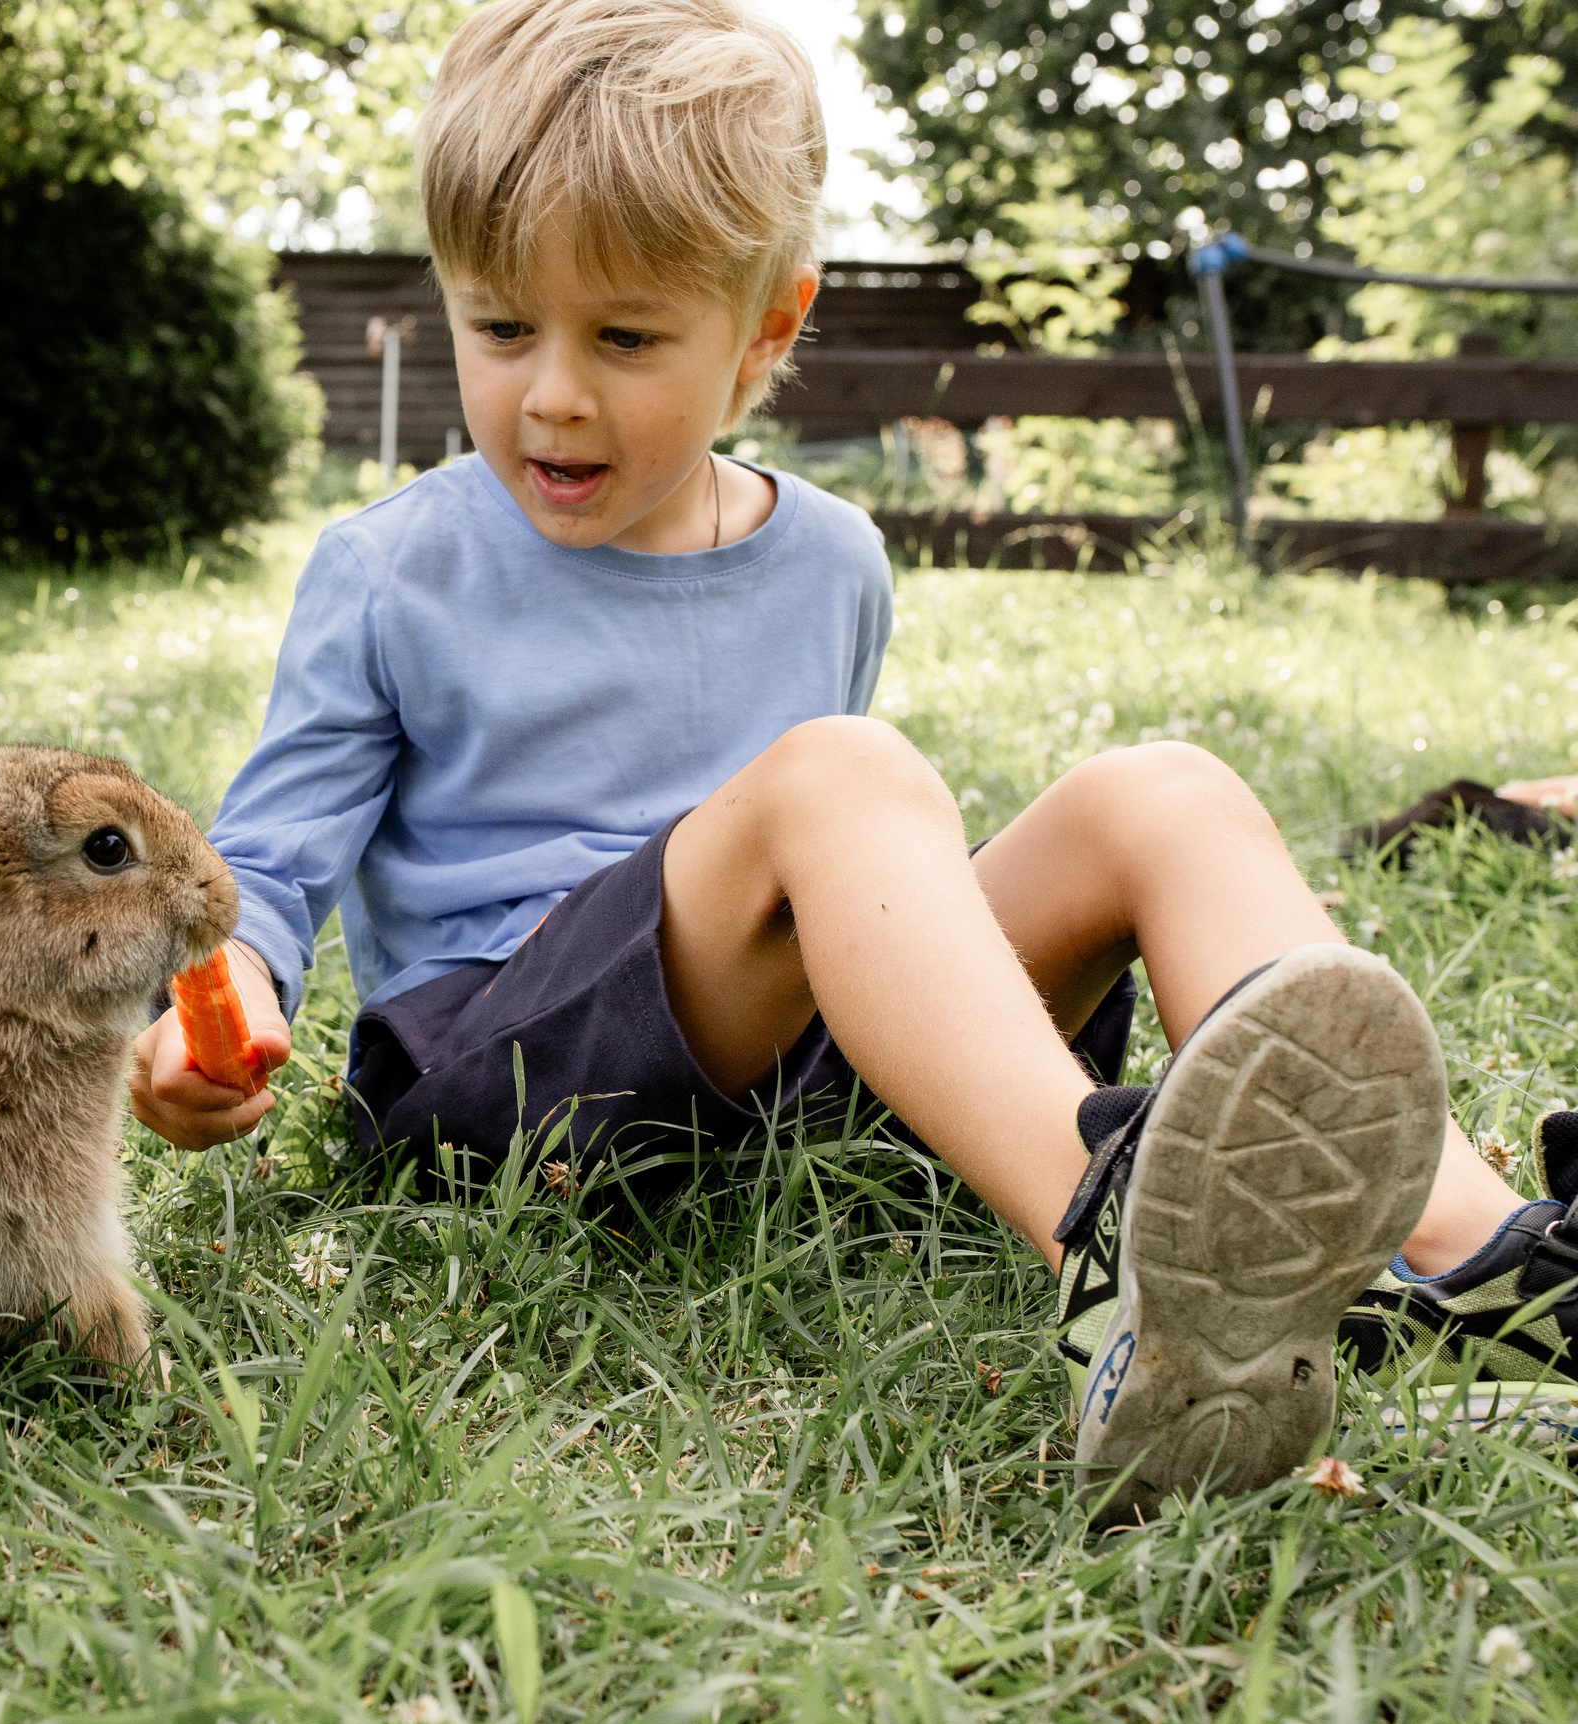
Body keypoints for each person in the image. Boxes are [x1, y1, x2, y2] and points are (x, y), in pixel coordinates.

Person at [128, 0, 1578, 1508]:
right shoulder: (394, 569)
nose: (550, 390)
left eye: (623, 337)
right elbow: (266, 867)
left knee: (1164, 795)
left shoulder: (832, 559)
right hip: (503, 1092)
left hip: (790, 1097)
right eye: (501, 326)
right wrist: (215, 1007)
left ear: (766, 333)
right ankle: (1119, 1262)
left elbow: (859, 909)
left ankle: (1493, 1264)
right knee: (844, 775)